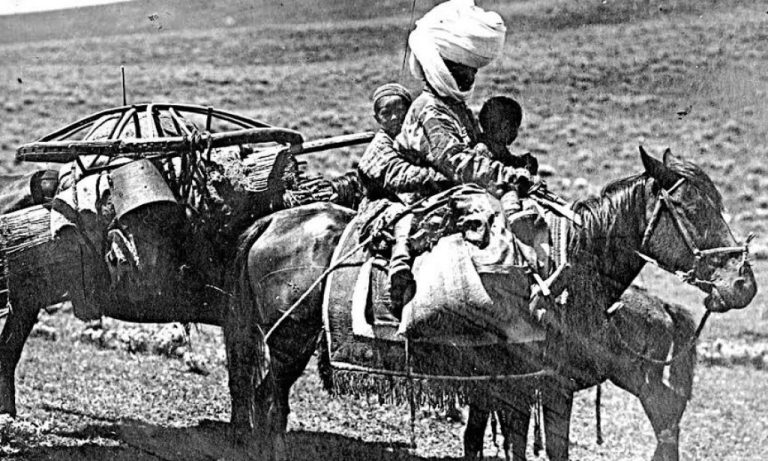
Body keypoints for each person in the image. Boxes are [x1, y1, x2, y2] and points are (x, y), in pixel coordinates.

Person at [383, 0, 532, 309]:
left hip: (452, 191)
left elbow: (477, 148)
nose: (471, 76)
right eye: (463, 69)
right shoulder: (430, 111)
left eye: (472, 69)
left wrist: (513, 163)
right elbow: (457, 161)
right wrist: (504, 175)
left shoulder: (455, 108)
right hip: (425, 196)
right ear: (443, 67)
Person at [357, 83, 450, 317]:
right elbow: (400, 176)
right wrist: (444, 176)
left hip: (419, 198)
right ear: (377, 119)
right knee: (404, 216)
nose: (395, 117)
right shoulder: (379, 148)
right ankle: (399, 265)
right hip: (383, 206)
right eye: (386, 113)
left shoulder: (416, 138)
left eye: (401, 110)